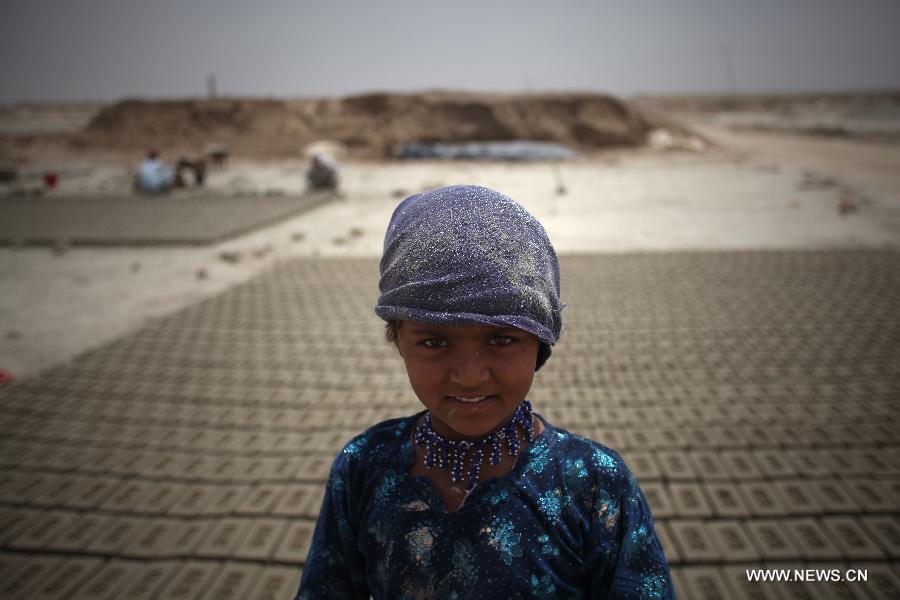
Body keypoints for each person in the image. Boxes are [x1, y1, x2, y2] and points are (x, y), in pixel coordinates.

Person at [296, 185, 675, 599]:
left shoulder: (593, 483)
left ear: (540, 342)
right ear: (398, 341)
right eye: (434, 343)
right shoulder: (362, 469)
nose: (471, 376)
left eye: (502, 340)